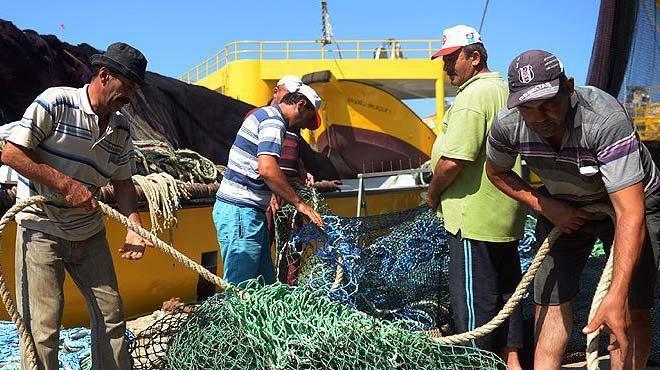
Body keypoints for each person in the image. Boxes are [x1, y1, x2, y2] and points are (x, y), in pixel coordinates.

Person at [486, 49, 660, 370]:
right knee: (549, 300)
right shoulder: (507, 124)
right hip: (562, 205)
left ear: (568, 87)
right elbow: (496, 172)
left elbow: (630, 212)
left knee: (630, 307)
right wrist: (545, 205)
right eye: (527, 108)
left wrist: (616, 295)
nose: (539, 117)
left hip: (628, 203)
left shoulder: (604, 120)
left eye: (549, 103)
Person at [1, 42, 152, 370]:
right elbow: (12, 153)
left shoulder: (122, 128)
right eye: (126, 87)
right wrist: (66, 184)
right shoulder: (56, 102)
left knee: (111, 316)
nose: (130, 96)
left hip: (88, 232)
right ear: (104, 75)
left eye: (135, 90)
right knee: (42, 329)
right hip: (40, 228)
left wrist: (134, 224)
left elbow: (124, 182)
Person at [426, 25, 526, 368]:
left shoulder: (473, 97)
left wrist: (432, 194)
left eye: (452, 59)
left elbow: (454, 162)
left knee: (475, 305)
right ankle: (512, 362)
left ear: (474, 57)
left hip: (472, 219)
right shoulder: (504, 91)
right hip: (503, 215)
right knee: (507, 298)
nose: (446, 66)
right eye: (444, 60)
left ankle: (479, 364)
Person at [213, 84, 324, 286]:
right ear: (300, 105)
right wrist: (299, 203)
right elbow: (267, 169)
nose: (304, 126)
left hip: (249, 212)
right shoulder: (274, 122)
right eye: (307, 118)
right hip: (240, 212)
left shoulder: (267, 115)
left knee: (265, 283)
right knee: (242, 287)